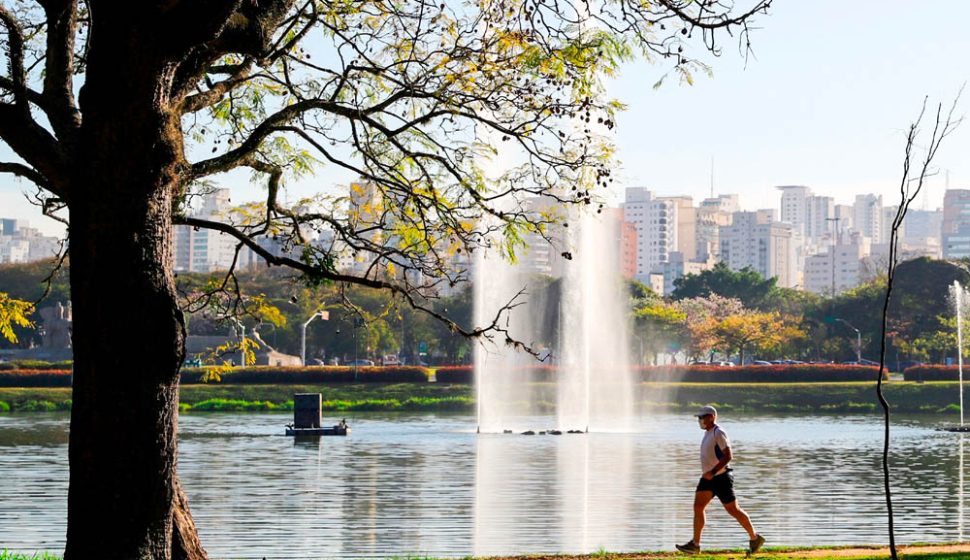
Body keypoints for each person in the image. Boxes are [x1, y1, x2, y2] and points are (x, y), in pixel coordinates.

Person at [676, 405, 765, 555]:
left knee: (733, 510)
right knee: (698, 507)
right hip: (708, 478)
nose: (700, 420)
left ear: (711, 417)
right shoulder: (707, 433)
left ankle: (755, 538)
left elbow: (728, 455)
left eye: (702, 417)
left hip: (721, 477)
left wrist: (713, 471)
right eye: (699, 418)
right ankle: (695, 544)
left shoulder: (719, 432)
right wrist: (709, 474)